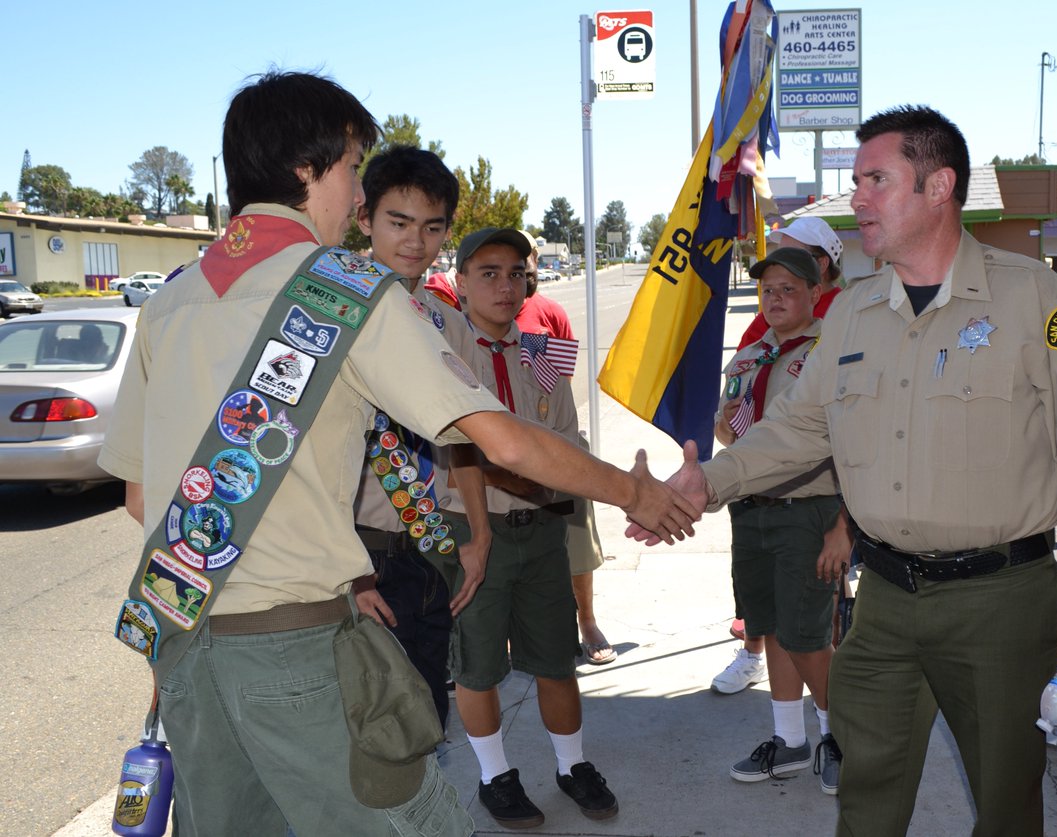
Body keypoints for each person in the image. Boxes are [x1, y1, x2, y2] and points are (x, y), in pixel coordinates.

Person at [99, 70, 696, 837]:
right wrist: (636, 493)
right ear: (307, 168)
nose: (357, 194)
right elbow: (501, 437)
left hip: (183, 643)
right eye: (352, 169)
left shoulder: (168, 302)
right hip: (296, 653)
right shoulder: (343, 289)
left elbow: (142, 501)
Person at [636, 104, 1057, 837]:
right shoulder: (852, 313)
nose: (857, 199)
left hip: (1000, 602)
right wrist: (709, 481)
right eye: (856, 182)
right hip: (883, 601)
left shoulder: (1036, 299)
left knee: (1007, 804)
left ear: (939, 187)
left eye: (876, 180)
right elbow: (800, 428)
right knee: (866, 798)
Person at [442, 227, 618, 830]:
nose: (505, 286)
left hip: (541, 530)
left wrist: (556, 483)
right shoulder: (443, 357)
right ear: (461, 282)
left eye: (516, 273)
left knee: (555, 657)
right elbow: (457, 452)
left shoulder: (544, 354)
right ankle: (495, 776)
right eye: (488, 273)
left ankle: (572, 765)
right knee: (478, 665)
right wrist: (532, 474)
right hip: (474, 530)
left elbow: (566, 440)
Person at [349, 144, 490, 729]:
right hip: (359, 551)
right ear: (365, 219)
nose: (415, 241)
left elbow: (466, 437)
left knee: (428, 714)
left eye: (432, 227)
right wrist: (350, 571)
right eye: (398, 222)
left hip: (432, 546)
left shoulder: (447, 323)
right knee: (370, 724)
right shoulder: (336, 308)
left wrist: (480, 534)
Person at [715, 247, 847, 794]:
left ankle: (842, 738)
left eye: (788, 289)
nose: (775, 298)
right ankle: (790, 739)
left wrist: (843, 527)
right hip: (752, 510)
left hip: (807, 511)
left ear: (816, 292)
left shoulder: (833, 351)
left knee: (807, 635)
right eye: (767, 290)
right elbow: (728, 427)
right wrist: (726, 428)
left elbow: (856, 445)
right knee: (769, 625)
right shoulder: (750, 355)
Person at [514, 244, 616, 666]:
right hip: (503, 452)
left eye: (522, 261)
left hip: (557, 442)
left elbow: (560, 384)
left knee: (575, 539)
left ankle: (587, 621)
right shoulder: (468, 322)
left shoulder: (548, 312)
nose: (512, 276)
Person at [737, 215, 845, 350]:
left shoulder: (847, 310)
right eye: (781, 255)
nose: (783, 264)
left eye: (795, 257)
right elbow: (743, 357)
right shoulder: (772, 313)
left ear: (822, 264)